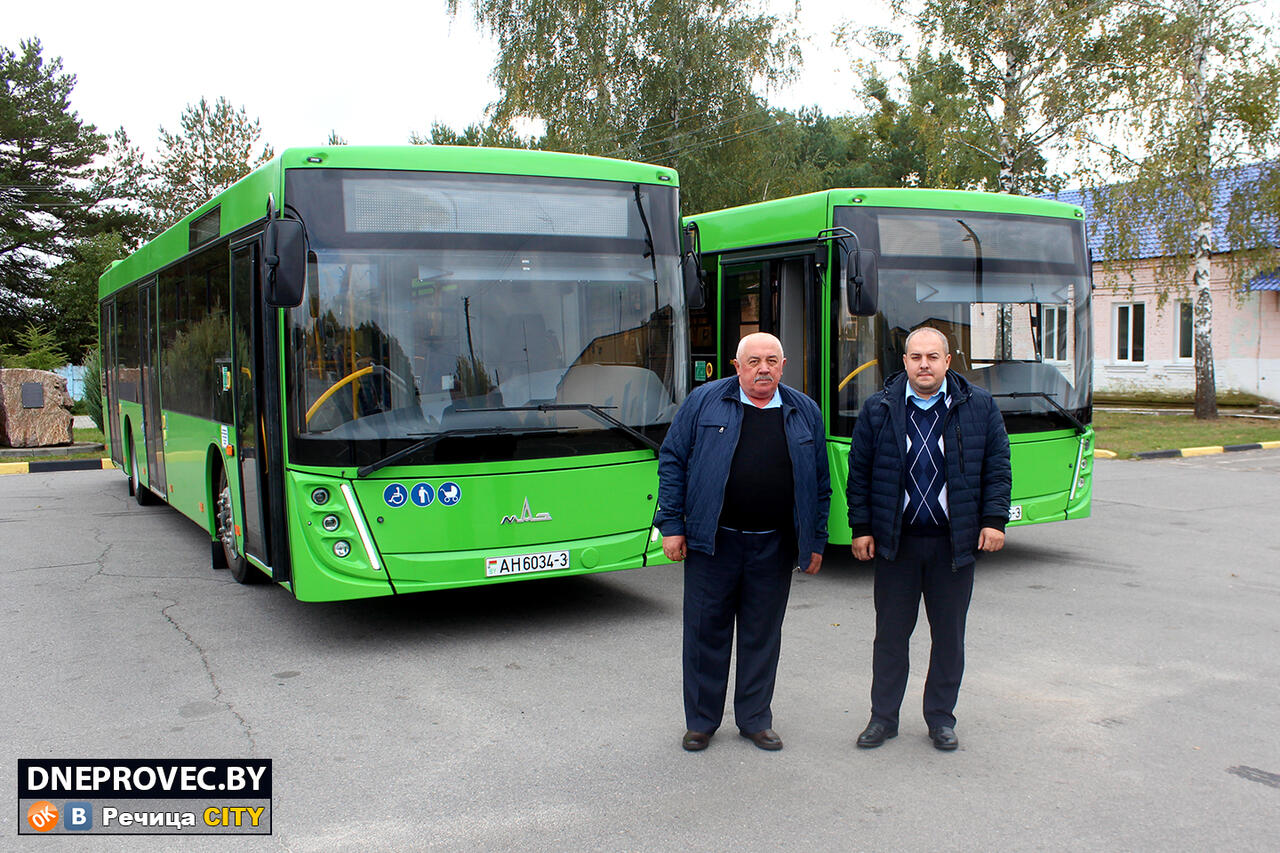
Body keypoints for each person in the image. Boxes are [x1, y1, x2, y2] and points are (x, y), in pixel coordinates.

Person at [656, 332, 830, 752]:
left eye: (772, 360)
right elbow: (673, 460)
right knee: (704, 634)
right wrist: (671, 525)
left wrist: (816, 540)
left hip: (773, 546)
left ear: (783, 366)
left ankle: (754, 719)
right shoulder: (704, 402)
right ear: (737, 367)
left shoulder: (804, 410)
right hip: (712, 543)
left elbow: (820, 483)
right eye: (754, 361)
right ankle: (701, 721)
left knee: (762, 635)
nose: (763, 369)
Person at [846, 325, 1011, 752]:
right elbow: (859, 473)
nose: (924, 364)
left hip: (952, 545)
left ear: (947, 361)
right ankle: (883, 719)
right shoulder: (878, 408)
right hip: (896, 544)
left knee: (949, 637)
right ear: (904, 362)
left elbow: (997, 467)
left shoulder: (979, 406)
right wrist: (861, 527)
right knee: (890, 637)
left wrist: (994, 519)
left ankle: (941, 718)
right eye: (916, 357)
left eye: (932, 357)